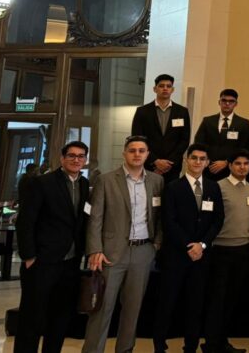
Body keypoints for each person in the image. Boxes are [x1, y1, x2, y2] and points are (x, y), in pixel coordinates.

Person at [82, 136, 165, 353]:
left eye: (141, 150)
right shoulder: (107, 180)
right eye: (132, 150)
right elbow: (95, 217)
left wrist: (156, 243)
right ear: (124, 153)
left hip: (143, 252)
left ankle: (125, 349)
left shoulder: (156, 181)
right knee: (102, 308)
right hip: (111, 253)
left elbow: (159, 217)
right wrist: (95, 249)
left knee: (133, 308)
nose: (137, 154)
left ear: (147, 154)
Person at [16, 141, 90, 353]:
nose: (76, 159)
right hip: (42, 262)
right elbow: (26, 221)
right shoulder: (41, 183)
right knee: (32, 318)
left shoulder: (84, 185)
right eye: (72, 155)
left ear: (85, 160)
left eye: (81, 156)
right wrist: (29, 256)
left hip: (70, 263)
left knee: (60, 318)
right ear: (62, 158)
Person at [154, 144, 225, 353]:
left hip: (201, 257)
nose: (197, 162)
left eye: (202, 159)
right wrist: (189, 245)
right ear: (187, 160)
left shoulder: (213, 188)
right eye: (193, 158)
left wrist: (202, 245)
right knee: (167, 303)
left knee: (195, 305)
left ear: (207, 162)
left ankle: (191, 346)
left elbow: (218, 220)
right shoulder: (173, 187)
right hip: (176, 255)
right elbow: (169, 221)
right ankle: (159, 345)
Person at [204, 149, 249, 353]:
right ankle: (210, 344)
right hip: (220, 250)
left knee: (232, 300)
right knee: (217, 300)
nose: (242, 167)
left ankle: (222, 341)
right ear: (230, 165)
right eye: (238, 163)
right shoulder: (218, 187)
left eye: (246, 164)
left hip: (242, 250)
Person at [132, 73, 191, 179]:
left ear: (172, 90)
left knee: (171, 195)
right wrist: (155, 161)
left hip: (172, 167)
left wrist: (169, 163)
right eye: (161, 86)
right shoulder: (142, 111)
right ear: (155, 89)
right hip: (149, 166)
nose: (165, 88)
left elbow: (184, 140)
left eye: (168, 86)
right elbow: (137, 139)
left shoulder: (182, 112)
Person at [195, 88, 249, 181]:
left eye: (231, 101)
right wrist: (207, 161)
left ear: (236, 104)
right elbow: (199, 142)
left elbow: (243, 147)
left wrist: (226, 162)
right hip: (208, 168)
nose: (227, 103)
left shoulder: (243, 123)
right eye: (224, 100)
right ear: (219, 102)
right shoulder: (208, 121)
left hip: (231, 169)